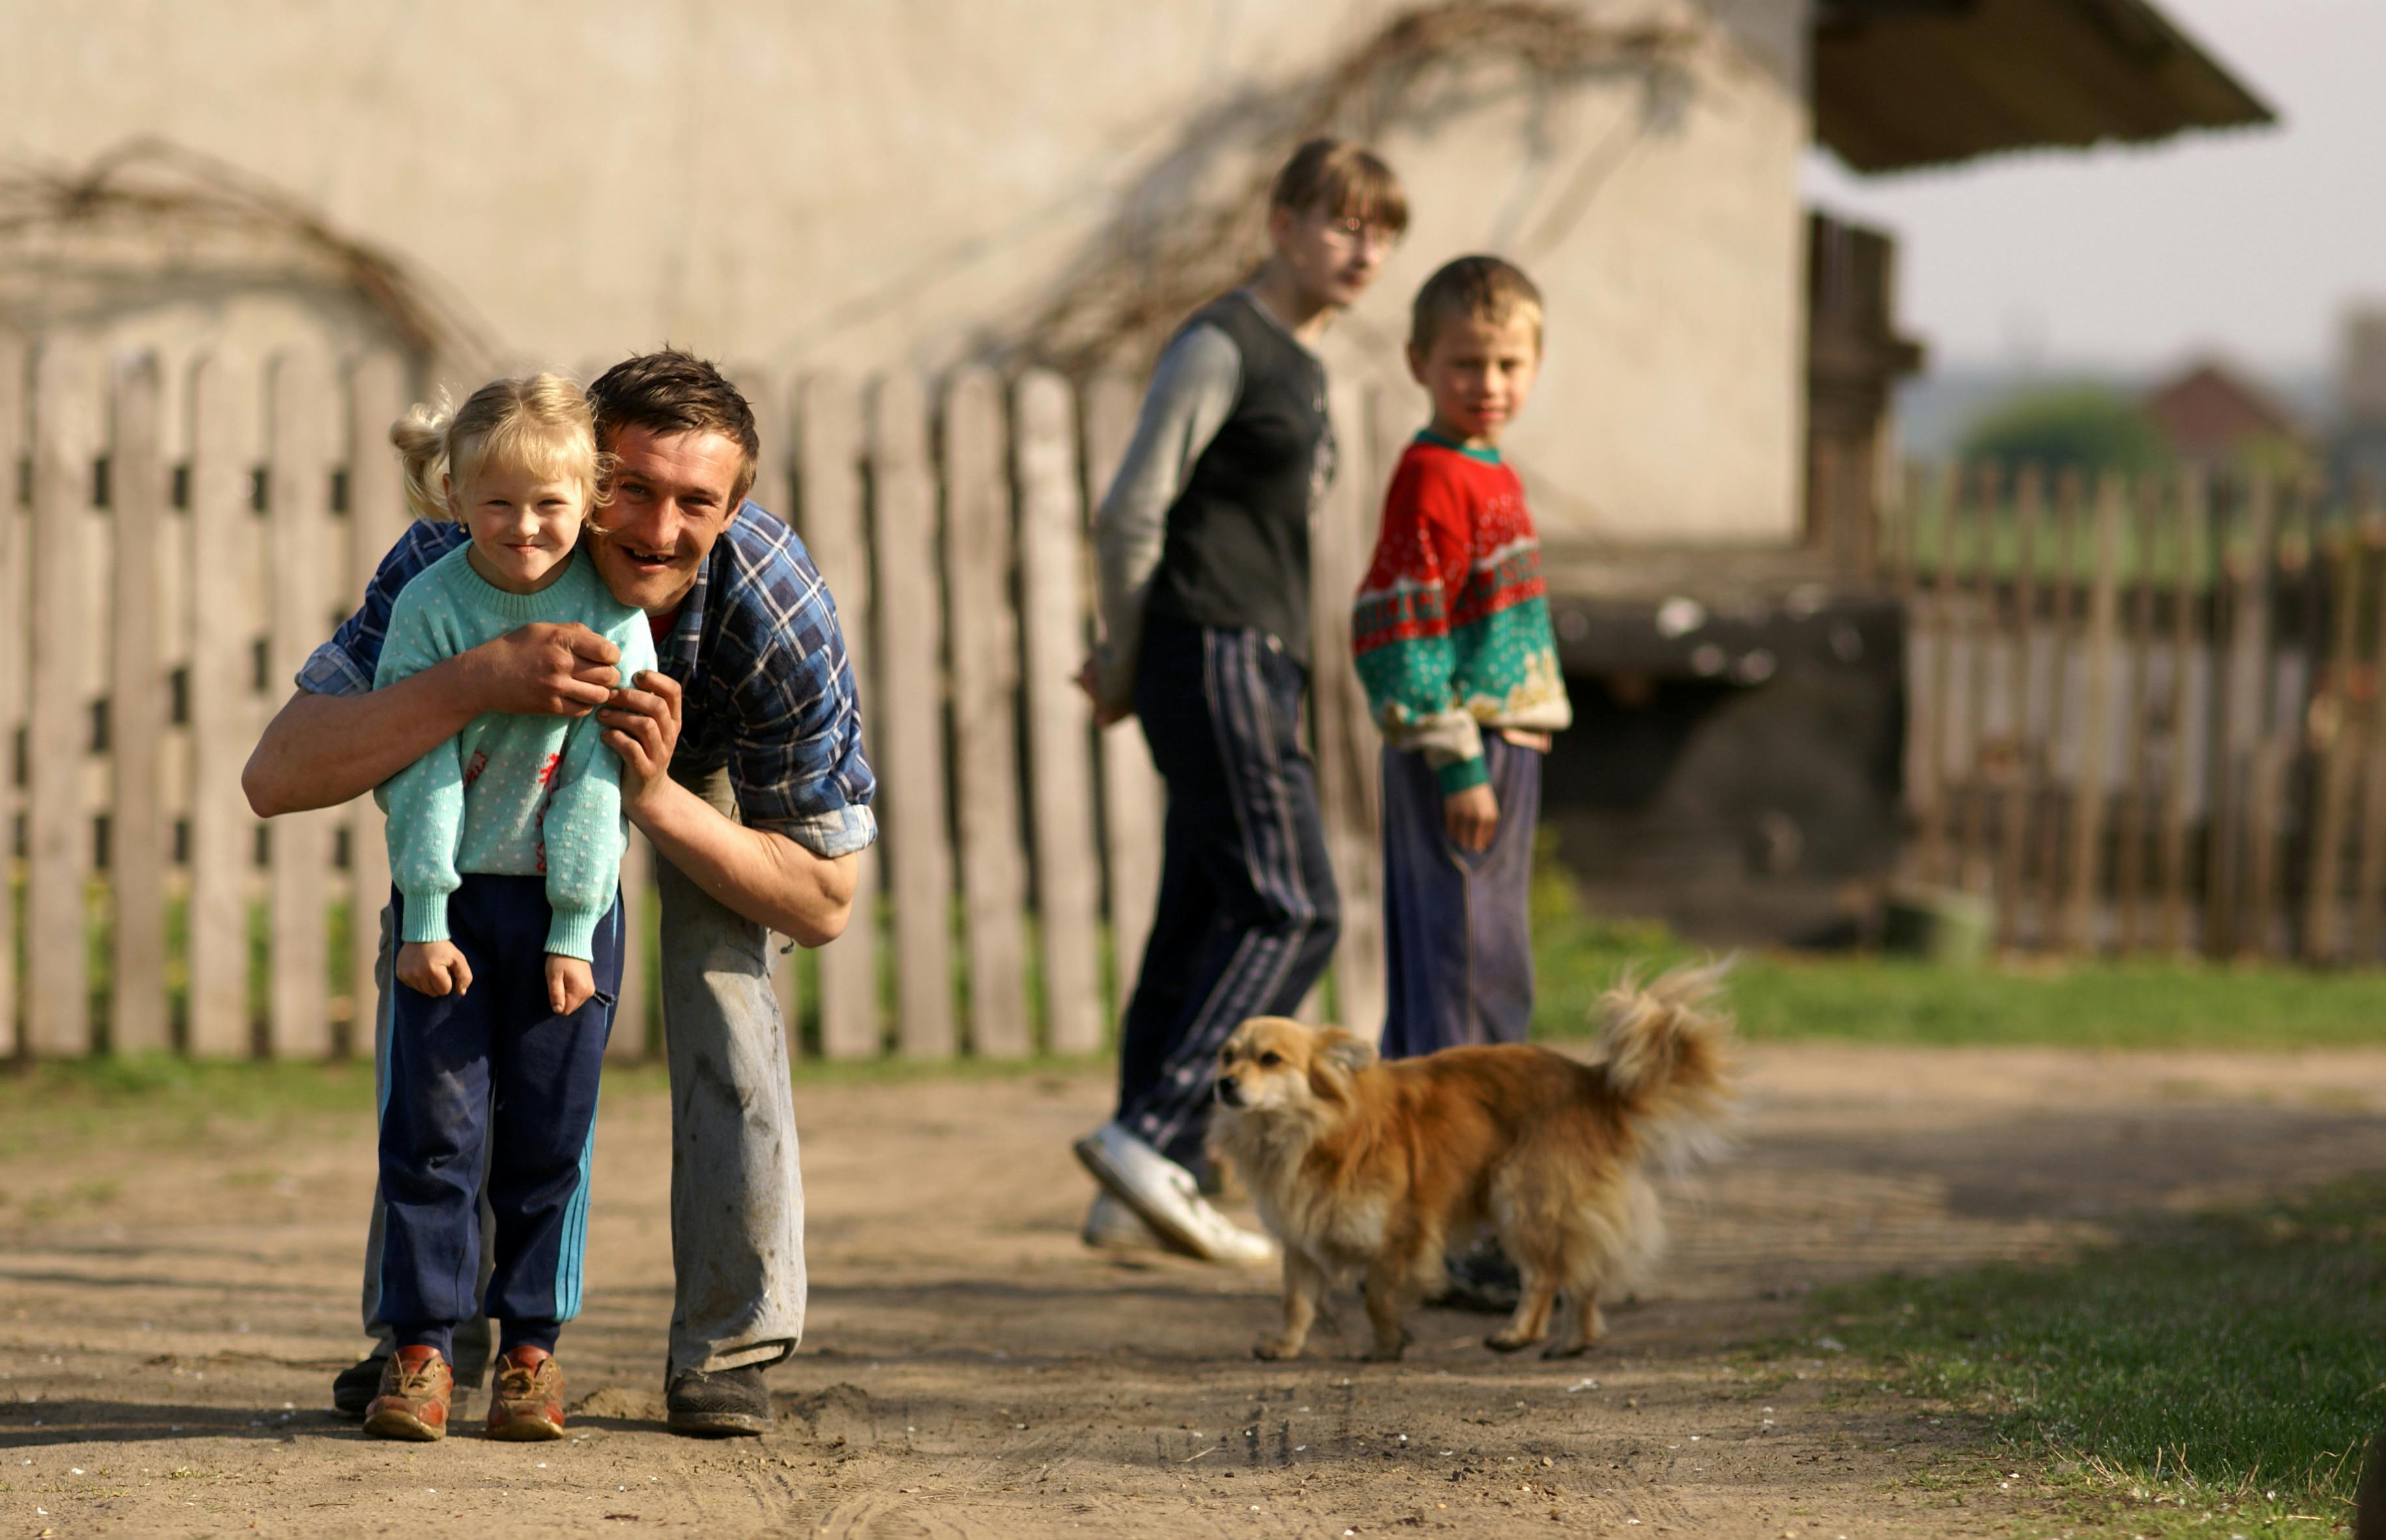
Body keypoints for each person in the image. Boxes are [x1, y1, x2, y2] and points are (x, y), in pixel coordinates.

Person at [244, 350, 874, 1438]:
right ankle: (424, 1340)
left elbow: (821, 903)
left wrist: (659, 797)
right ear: (585, 476)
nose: (658, 530)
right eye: (631, 489)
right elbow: (279, 774)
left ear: (736, 509)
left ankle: (729, 1345)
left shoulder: (773, 603)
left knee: (723, 990)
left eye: (697, 503)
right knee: (434, 1050)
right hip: (487, 788)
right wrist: (481, 678)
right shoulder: (471, 548)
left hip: (692, 778)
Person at [1071, 138, 1406, 1264]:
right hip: (1209, 647)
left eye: (1383, 229)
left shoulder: (1304, 364)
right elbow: (1130, 513)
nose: (1366, 247)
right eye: (1342, 221)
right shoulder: (1224, 342)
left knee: (1205, 912)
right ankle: (1155, 1131)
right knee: (1294, 905)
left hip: (1244, 656)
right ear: (1280, 222)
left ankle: (1135, 1186)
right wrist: (1123, 660)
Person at [355, 374, 657, 1442]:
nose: (524, 527)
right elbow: (418, 764)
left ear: (589, 503)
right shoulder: (433, 606)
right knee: (432, 1133)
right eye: (498, 503)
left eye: (549, 506)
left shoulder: (611, 614)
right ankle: (423, 1352)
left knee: (546, 1138)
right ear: (454, 493)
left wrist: (575, 928)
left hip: (563, 918)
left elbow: (597, 777)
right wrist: (426, 918)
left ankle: (531, 1350)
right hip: (450, 908)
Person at [1351, 254, 1571, 1316]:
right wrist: (1455, 756)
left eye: (1507, 362)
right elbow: (1397, 626)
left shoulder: (1493, 468)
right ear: (1418, 364)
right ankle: (1440, 1234)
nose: (1488, 381)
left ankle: (1460, 1221)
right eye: (1465, 362)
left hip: (1503, 751)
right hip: (1464, 762)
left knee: (1494, 983)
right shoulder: (1434, 474)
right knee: (1459, 996)